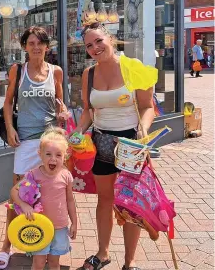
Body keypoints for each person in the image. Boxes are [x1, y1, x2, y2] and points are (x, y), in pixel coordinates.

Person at [73, 22, 155, 270]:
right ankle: (103, 253)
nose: (95, 48)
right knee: (105, 200)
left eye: (99, 41)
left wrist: (141, 138)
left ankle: (130, 262)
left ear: (110, 38)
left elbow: (147, 106)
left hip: (130, 142)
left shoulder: (133, 68)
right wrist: (78, 132)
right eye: (89, 45)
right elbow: (88, 111)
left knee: (130, 202)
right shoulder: (88, 74)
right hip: (101, 143)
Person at [0, 26, 69, 269]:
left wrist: (63, 113)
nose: (36, 47)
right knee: (17, 194)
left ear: (48, 46)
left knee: (47, 192)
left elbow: (60, 104)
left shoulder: (56, 72)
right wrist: (10, 128)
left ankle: (40, 239)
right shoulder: (19, 70)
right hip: (25, 141)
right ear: (25, 46)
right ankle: (6, 245)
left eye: (40, 43)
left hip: (49, 140)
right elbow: (7, 104)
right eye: (31, 43)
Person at [11, 127, 77, 270]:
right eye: (48, 154)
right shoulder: (32, 175)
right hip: (39, 226)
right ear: (39, 154)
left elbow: (70, 201)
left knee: (54, 263)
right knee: (38, 263)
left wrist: (74, 223)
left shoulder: (66, 176)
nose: (53, 159)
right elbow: (14, 191)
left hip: (60, 227)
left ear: (65, 156)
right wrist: (24, 205)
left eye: (58, 155)